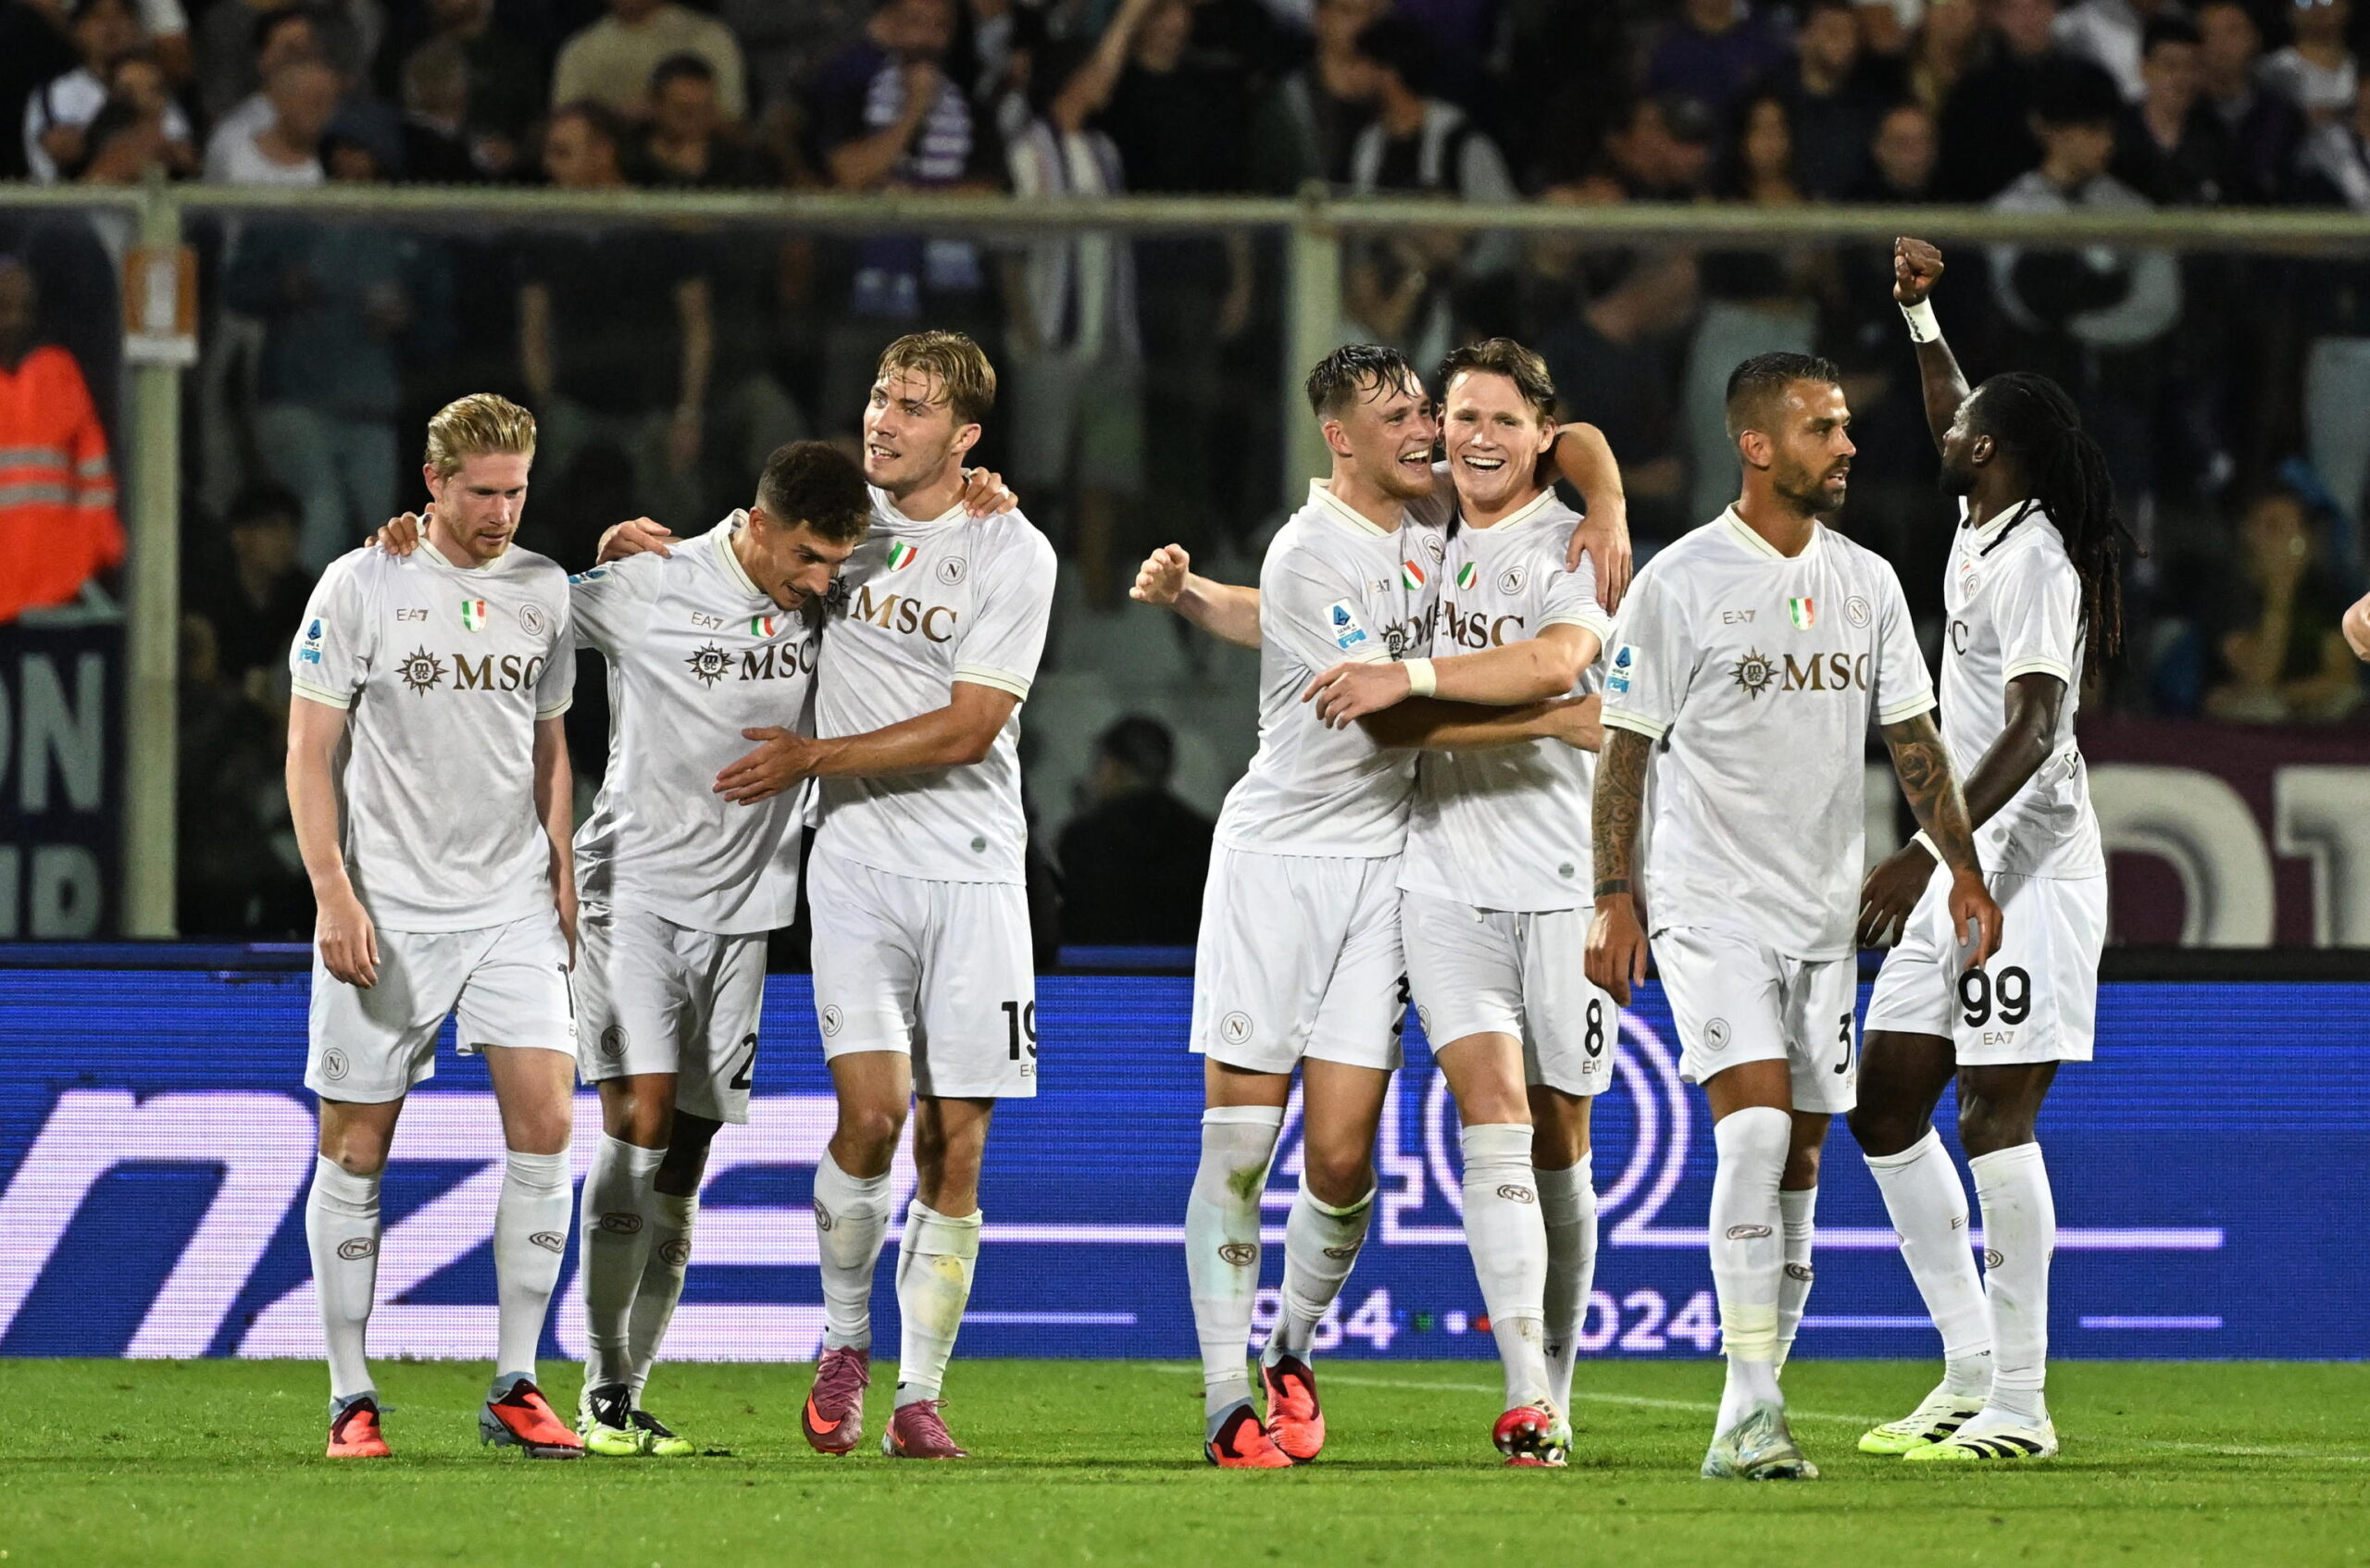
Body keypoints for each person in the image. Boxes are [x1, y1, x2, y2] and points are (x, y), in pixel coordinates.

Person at [1131, 342, 1617, 1469]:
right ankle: (1224, 1400)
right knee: (1241, 1144)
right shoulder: (1310, 551)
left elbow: (1570, 438)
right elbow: (1388, 712)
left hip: (1386, 868)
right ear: (1339, 437)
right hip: (1278, 865)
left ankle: (1291, 1346)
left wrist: (1609, 499)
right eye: (1401, 416)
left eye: (1425, 411)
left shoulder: (1435, 513)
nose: (1428, 432)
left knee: (1344, 1161)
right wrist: (1554, 719)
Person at [616, 332, 1052, 1461]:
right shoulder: (842, 527)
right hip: (853, 860)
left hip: (974, 870)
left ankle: (921, 1393)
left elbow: (972, 726)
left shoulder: (1011, 547)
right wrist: (634, 552)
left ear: (965, 436)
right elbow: (745, 556)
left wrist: (813, 756)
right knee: (871, 1116)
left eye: (913, 406)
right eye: (878, 395)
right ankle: (845, 1342)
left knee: (956, 1145)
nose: (883, 419)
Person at [1585, 349, 2002, 1481]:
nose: (1848, 445)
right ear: (1757, 445)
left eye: (1846, 425)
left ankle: (1759, 1397)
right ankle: (1748, 1401)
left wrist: (1961, 870)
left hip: (1823, 917)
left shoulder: (1866, 581)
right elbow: (1622, 754)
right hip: (1708, 905)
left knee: (1802, 1156)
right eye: (1823, 427)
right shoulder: (1679, 581)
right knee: (1757, 1132)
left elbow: (1914, 744)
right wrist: (1612, 894)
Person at [1299, 339, 1622, 1466]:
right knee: (1492, 1108)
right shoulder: (1422, 520)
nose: (1476, 437)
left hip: (1564, 881)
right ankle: (1525, 1392)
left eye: (1502, 420)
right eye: (1460, 416)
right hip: (1440, 875)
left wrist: (1413, 680)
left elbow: (1556, 662)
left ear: (1541, 435)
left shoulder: (1569, 546)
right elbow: (1388, 699)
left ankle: (1558, 1388)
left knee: (1561, 1136)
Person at [1852, 237, 2125, 1463]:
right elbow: (1944, 398)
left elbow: (2038, 723)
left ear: (1990, 452)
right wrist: (1921, 316)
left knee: (1993, 1116)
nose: (1945, 425)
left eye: (1964, 425)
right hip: (1966, 860)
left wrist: (1928, 847)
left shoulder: (2038, 565)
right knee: (1885, 1101)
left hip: (2024, 866)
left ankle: (2022, 1403)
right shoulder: (1981, 516)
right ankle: (1967, 1367)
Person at [560, 442, 872, 1456]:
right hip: (634, 893)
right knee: (640, 1120)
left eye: (836, 562)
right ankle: (597, 1384)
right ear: (758, 523)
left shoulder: (827, 597)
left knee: (686, 1158)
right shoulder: (651, 583)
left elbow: (937, 543)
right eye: (808, 556)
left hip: (746, 914)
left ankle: (625, 1390)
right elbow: (508, 606)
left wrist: (984, 492)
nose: (820, 580)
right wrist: (413, 550)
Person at [286, 393, 581, 1462]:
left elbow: (549, 746)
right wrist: (333, 890)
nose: (501, 512)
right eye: (482, 492)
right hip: (390, 906)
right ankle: (349, 1393)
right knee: (355, 1145)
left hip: (509, 904)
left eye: (516, 491)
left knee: (549, 1123)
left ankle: (516, 1381)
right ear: (433, 483)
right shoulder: (361, 582)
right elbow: (309, 749)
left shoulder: (544, 589)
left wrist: (563, 868)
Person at [518, 102, 710, 525]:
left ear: (603, 153)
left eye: (563, 152)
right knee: (562, 524)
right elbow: (533, 328)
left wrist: (688, 412)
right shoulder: (547, 233)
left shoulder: (660, 225)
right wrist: (548, 407)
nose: (550, 166)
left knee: (668, 531)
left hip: (652, 412)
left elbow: (696, 326)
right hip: (574, 409)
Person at [0, 255, 121, 624]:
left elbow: (94, 475)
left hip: (59, 586)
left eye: (26, 308)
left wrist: (91, 558)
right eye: (4, 307)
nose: (16, 319)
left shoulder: (59, 372)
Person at [1055, 716, 1213, 946]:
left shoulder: (1082, 838)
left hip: (1094, 967)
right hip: (1187, 967)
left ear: (1111, 767)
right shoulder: (1204, 837)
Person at [551, 0, 746, 121]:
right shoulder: (579, 50)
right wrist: (620, 119)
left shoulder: (710, 38)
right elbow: (565, 126)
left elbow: (733, 121)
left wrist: (674, 115)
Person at [2260, 0, 2356, 121]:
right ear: (2290, 11)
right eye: (2304, 2)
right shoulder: (2276, 67)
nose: (2318, 8)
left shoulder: (2358, 65)